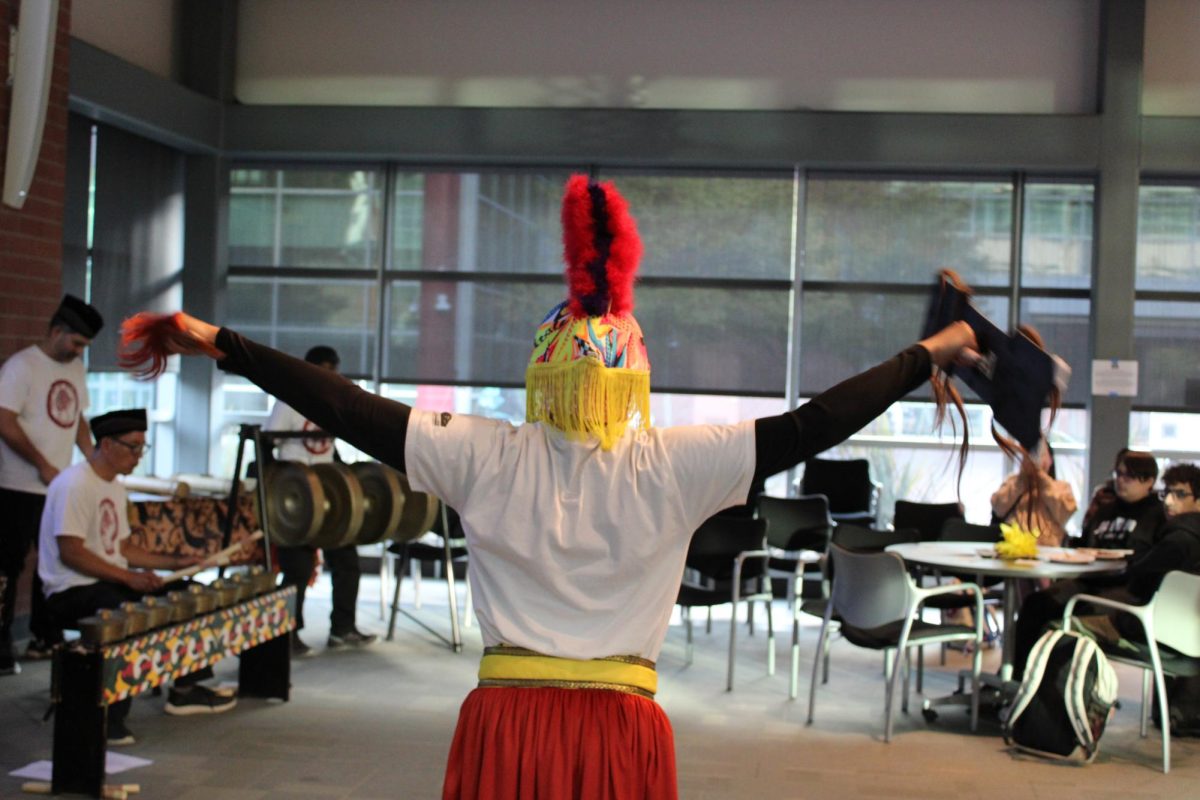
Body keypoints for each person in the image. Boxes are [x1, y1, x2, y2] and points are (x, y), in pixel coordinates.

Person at [120, 175, 981, 799]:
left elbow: (349, 409)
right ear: (635, 380)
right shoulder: (679, 462)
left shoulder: (484, 454)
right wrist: (926, 356)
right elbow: (817, 421)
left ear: (542, 377)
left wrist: (221, 342)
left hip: (507, 718)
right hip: (623, 723)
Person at [38, 408, 237, 746]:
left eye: (142, 448)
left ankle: (185, 689)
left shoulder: (114, 486)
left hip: (105, 582)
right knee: (123, 612)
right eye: (132, 447)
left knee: (191, 595)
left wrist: (174, 564)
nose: (137, 456)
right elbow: (71, 551)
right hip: (70, 589)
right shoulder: (74, 484)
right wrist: (127, 578)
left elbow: (124, 548)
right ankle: (107, 718)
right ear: (105, 444)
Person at [1011, 462, 1200, 680]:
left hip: (1145, 623)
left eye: (1180, 494)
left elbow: (1143, 581)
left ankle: (1032, 694)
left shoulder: (1175, 536)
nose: (1169, 501)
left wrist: (1133, 565)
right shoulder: (1107, 510)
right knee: (1044, 603)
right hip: (1176, 632)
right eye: (1167, 492)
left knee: (1055, 623)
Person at [0, 295, 102, 674]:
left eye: (84, 347)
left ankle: (47, 635)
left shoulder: (75, 368)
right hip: (16, 486)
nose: (79, 352)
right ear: (57, 330)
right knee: (9, 566)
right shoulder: (21, 366)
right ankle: (2, 642)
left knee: (53, 561)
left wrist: (92, 460)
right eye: (75, 343)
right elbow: (5, 421)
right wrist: (41, 463)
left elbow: (77, 418)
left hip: (57, 486)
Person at [265, 345, 377, 656]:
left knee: (346, 561)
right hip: (296, 497)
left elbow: (330, 449)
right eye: (323, 371)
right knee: (298, 570)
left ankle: (342, 629)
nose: (329, 377)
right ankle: (288, 635)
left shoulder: (331, 403)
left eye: (333, 372)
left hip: (330, 494)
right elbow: (268, 442)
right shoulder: (288, 399)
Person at [990, 438, 1077, 546]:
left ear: (1050, 460)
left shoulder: (1061, 486)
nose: (1034, 459)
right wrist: (1022, 479)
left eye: (1040, 455)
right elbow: (998, 507)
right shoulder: (1013, 481)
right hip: (1015, 550)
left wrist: (1040, 475)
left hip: (1049, 551)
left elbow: (1065, 511)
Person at [1075, 448, 1165, 550]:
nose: (1120, 480)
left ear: (1149, 481)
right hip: (1097, 564)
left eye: (1129, 476)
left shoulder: (1160, 515)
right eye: (1118, 474)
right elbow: (1084, 544)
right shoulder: (1104, 510)